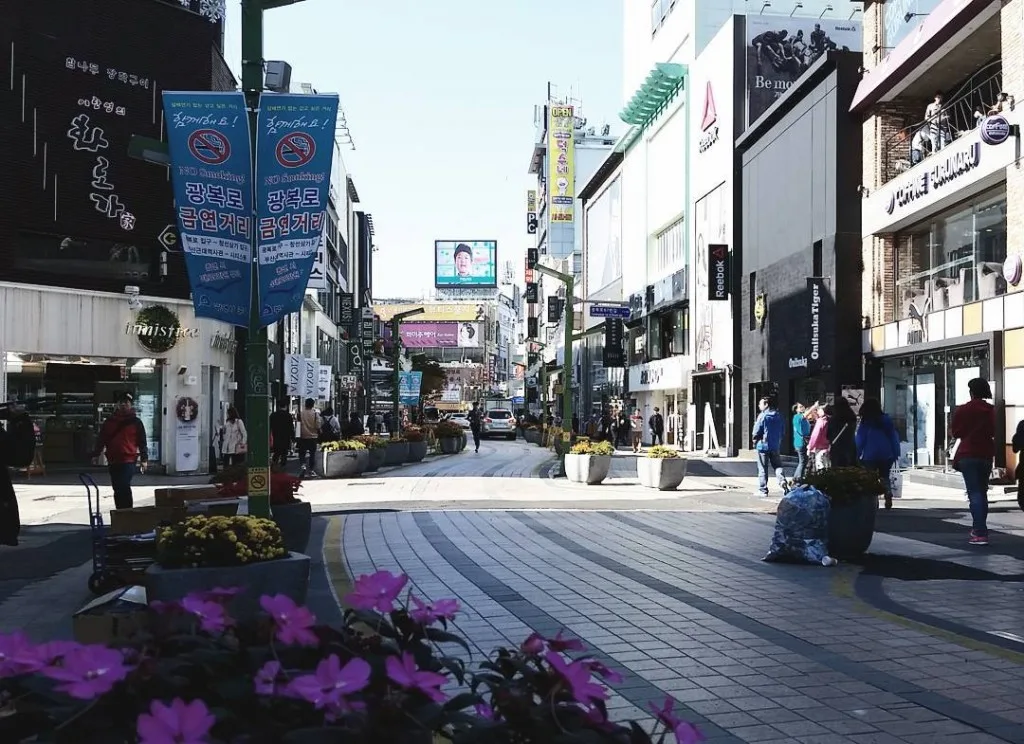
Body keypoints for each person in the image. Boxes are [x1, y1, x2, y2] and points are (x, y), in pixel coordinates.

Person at [950, 378, 995, 545]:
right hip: (985, 453)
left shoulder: (963, 410)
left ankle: (980, 531)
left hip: (968, 453)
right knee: (982, 493)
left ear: (971, 392)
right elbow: (993, 430)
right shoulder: (991, 410)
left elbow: (956, 433)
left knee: (974, 493)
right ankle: (979, 529)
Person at [92, 393, 148, 509]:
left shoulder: (136, 422)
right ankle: (120, 512)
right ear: (117, 405)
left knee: (124, 485)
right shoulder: (110, 422)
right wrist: (96, 454)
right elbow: (102, 439)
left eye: (126, 403)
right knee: (117, 487)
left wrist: (144, 459)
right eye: (121, 402)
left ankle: (127, 511)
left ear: (130, 405)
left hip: (128, 460)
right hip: (113, 459)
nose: (123, 405)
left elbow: (142, 441)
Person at [855, 398, 901, 510]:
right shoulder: (886, 420)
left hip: (870, 454)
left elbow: (860, 439)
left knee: (870, 478)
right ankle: (887, 492)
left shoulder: (866, 422)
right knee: (885, 476)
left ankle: (873, 500)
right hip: (886, 453)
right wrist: (895, 453)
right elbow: (893, 437)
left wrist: (857, 452)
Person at [752, 396, 789, 497]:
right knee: (777, 466)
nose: (759, 406)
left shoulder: (762, 416)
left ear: (766, 404)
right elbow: (782, 431)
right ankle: (782, 482)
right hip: (775, 445)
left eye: (760, 404)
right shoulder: (779, 416)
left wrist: (755, 441)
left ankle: (763, 490)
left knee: (763, 468)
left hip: (762, 446)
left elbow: (756, 431)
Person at [827, 396, 858, 467]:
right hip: (850, 448)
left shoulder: (834, 419)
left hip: (837, 448)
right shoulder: (852, 418)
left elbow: (828, 435)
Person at [297, 398, 321, 477]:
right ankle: (311, 470)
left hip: (302, 437)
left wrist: (297, 437)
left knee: (302, 454)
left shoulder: (300, 414)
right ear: (313, 405)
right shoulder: (315, 414)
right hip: (313, 437)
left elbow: (298, 426)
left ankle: (303, 466)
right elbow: (318, 426)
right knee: (312, 454)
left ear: (305, 404)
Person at [791, 402, 813, 483]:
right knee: (803, 461)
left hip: (802, 442)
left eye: (803, 406)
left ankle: (796, 478)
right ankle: (797, 478)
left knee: (803, 461)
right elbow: (806, 414)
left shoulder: (803, 418)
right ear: (796, 410)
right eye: (800, 407)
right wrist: (814, 406)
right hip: (800, 442)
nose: (802, 408)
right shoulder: (797, 417)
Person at [269, 400, 294, 468]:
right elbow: (291, 427)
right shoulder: (288, 416)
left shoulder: (273, 415)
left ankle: (274, 465)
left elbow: (270, 426)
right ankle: (282, 466)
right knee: (284, 453)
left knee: (277, 452)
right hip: (286, 437)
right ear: (286, 406)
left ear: (279, 406)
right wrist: (293, 437)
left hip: (276, 436)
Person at [808, 404, 831, 472]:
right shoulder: (830, 420)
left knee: (820, 466)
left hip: (820, 447)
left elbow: (815, 436)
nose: (817, 411)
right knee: (827, 466)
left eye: (819, 410)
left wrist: (810, 447)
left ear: (823, 411)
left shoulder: (821, 421)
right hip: (828, 447)